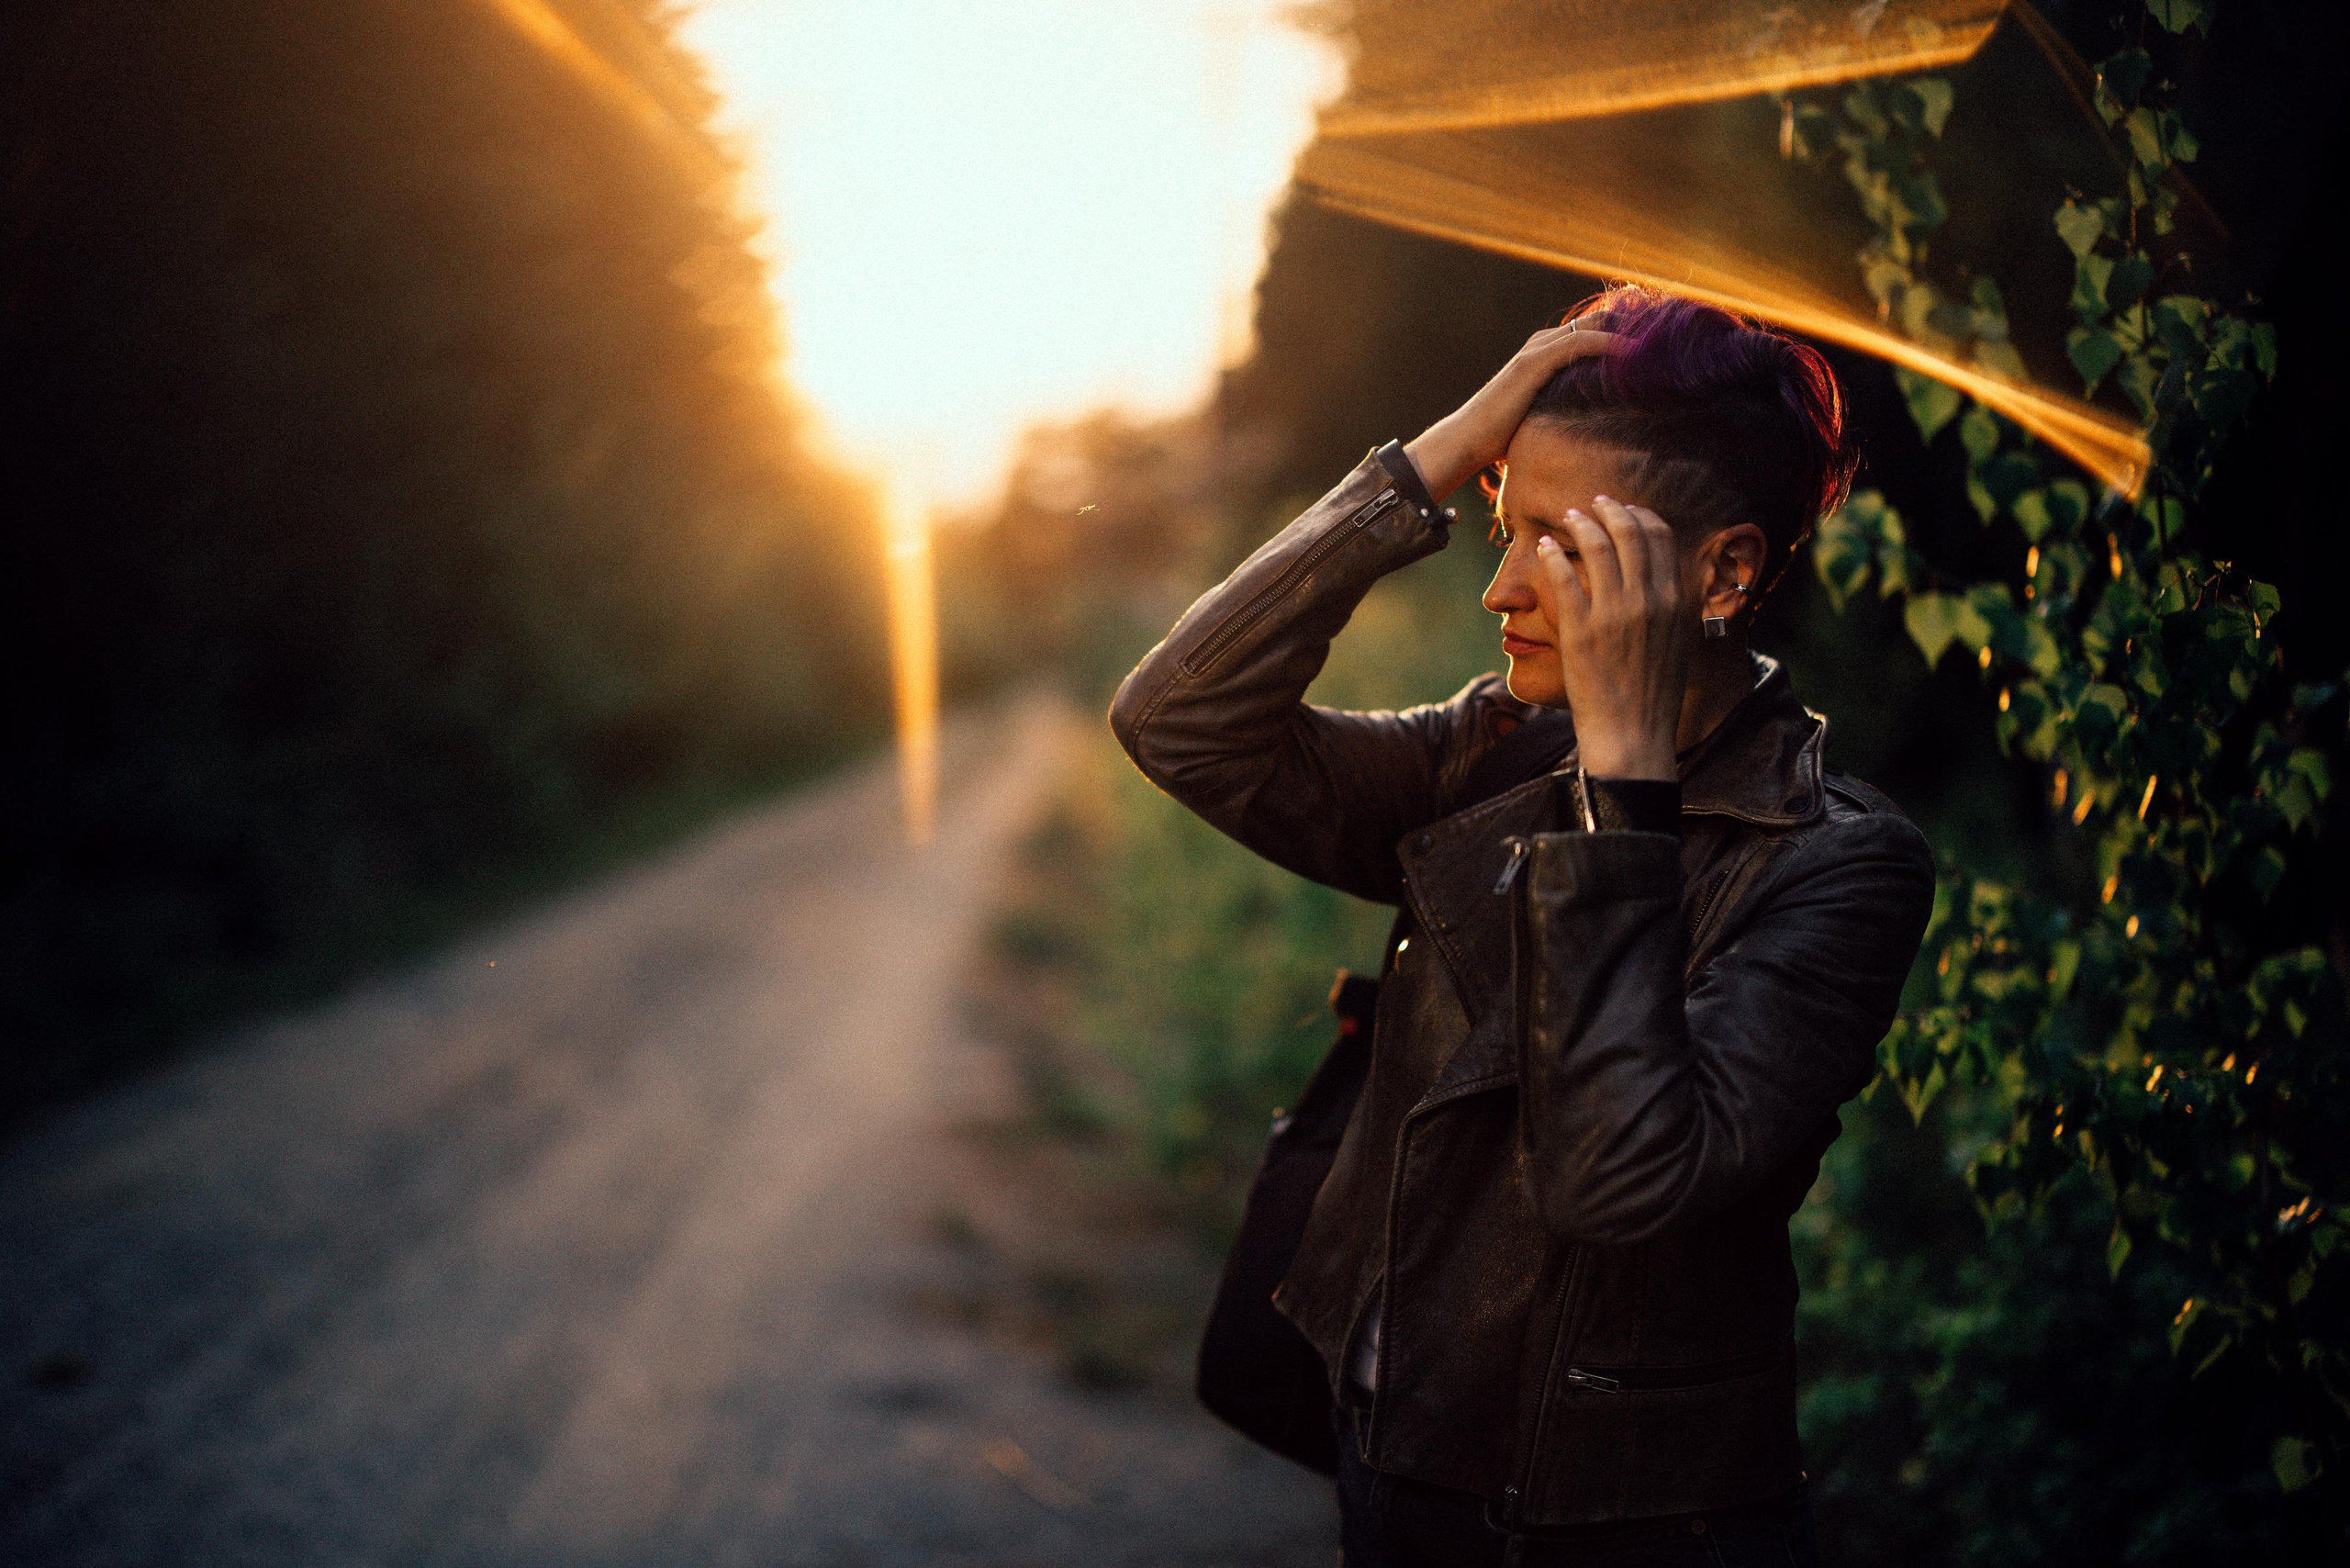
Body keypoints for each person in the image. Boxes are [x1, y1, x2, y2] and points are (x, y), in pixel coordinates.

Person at [1109, 285, 1938, 1565]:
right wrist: (1429, 460)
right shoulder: (1490, 754)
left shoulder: (1840, 864)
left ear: (1721, 572)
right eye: (1500, 522)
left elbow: (1617, 1179)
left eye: (1555, 541)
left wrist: (1625, 785)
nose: (1497, 588)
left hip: (1613, 1524)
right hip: (1387, 1469)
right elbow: (1178, 721)